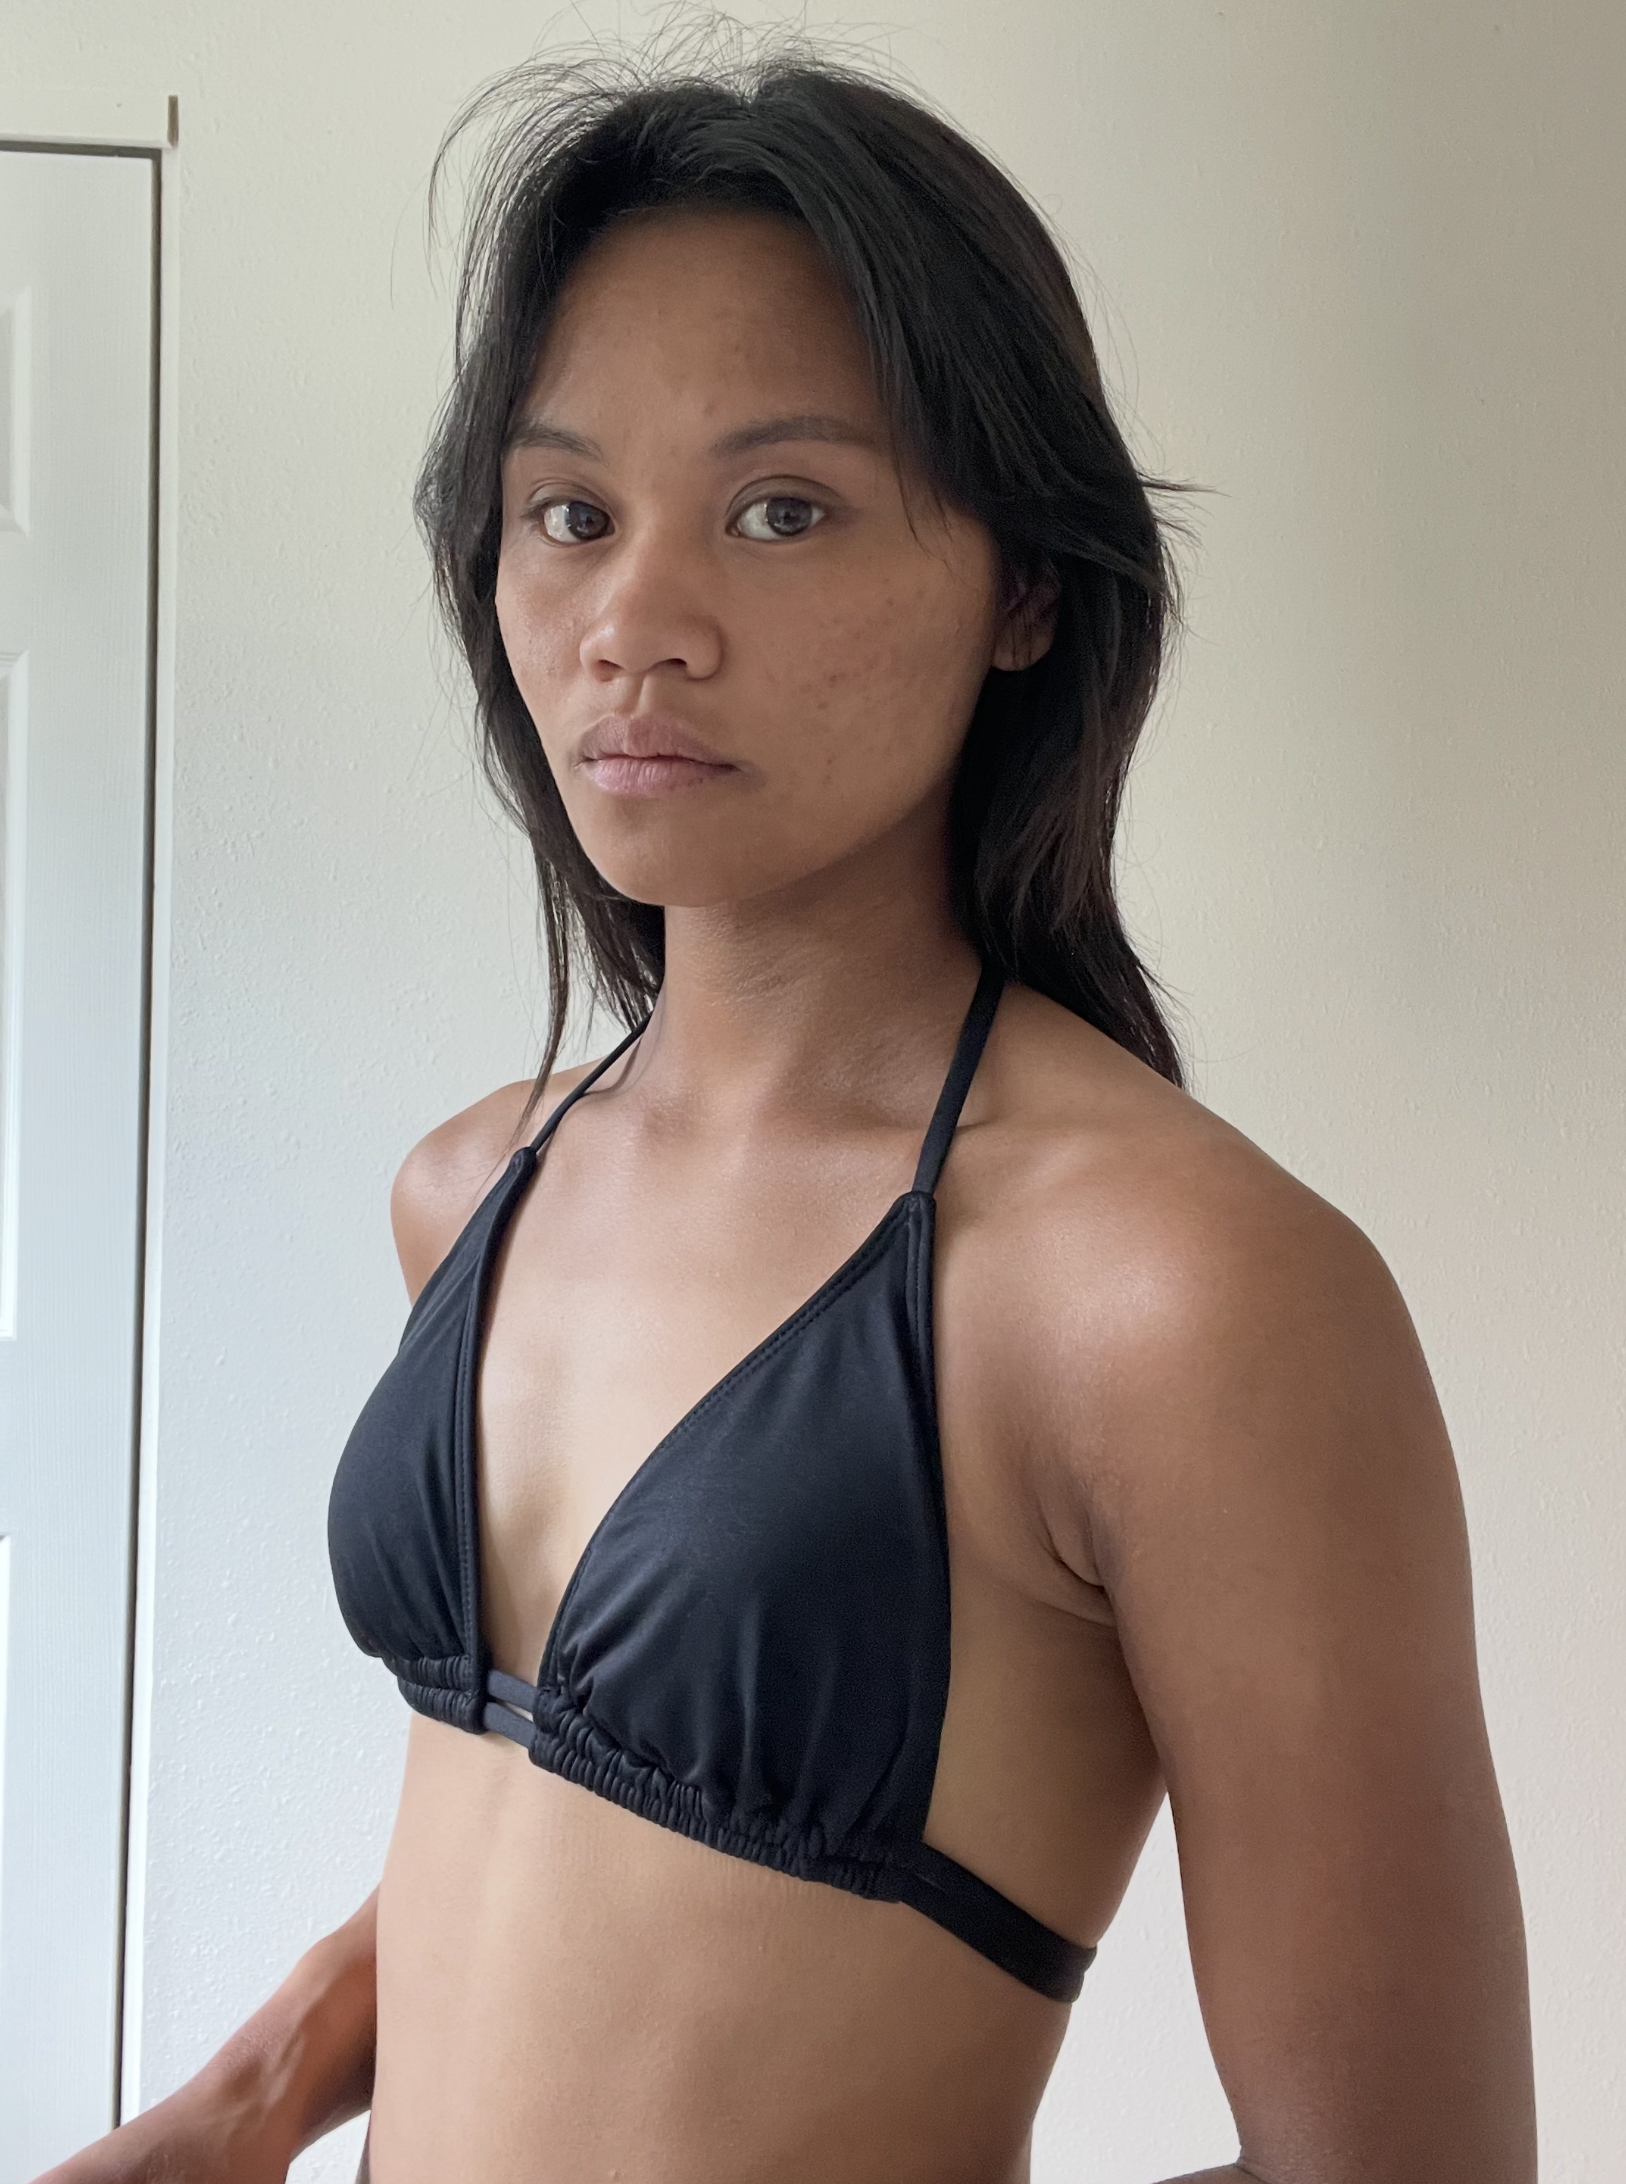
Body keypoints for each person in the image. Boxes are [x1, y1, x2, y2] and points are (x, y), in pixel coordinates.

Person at [43, 37, 1536, 2184]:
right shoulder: (473, 1185)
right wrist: (241, 2105)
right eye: (570, 515)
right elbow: (534, 1836)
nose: (633, 626)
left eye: (781, 511)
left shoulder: (1174, 1297)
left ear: (1026, 589)